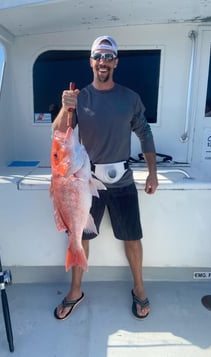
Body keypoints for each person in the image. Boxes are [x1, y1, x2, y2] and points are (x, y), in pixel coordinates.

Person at [53, 35, 158, 320]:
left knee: (132, 238)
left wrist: (152, 173)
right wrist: (66, 106)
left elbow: (145, 134)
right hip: (87, 181)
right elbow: (59, 134)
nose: (103, 62)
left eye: (108, 57)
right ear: (91, 61)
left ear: (116, 62)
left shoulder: (129, 98)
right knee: (80, 235)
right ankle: (75, 291)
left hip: (122, 180)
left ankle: (139, 288)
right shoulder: (79, 97)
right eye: (98, 56)